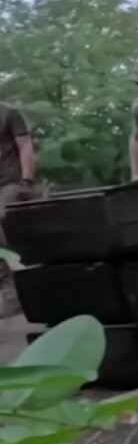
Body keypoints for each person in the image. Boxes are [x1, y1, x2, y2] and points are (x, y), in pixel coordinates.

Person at [0, 103, 35, 317]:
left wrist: (27, 179)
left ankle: (12, 291)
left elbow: (25, 145)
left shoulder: (9, 113)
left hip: (10, 181)